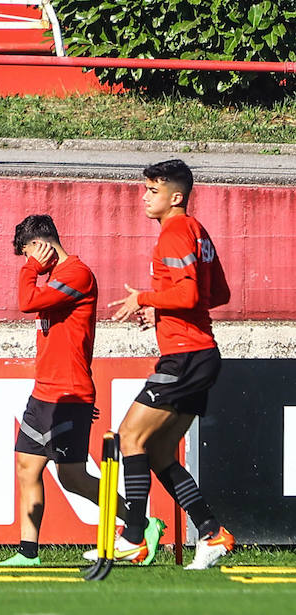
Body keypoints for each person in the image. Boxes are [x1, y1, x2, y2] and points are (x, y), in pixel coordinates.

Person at [107, 159, 233, 569]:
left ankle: (134, 536)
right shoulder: (196, 229)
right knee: (159, 451)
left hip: (185, 356)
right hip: (200, 353)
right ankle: (212, 532)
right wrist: (163, 313)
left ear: (175, 197)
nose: (144, 197)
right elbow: (219, 294)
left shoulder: (175, 232)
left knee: (129, 437)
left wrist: (145, 299)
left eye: (152, 190)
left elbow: (191, 293)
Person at [0, 214, 119, 567]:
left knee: (73, 477)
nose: (28, 260)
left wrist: (30, 268)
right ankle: (28, 553)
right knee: (26, 467)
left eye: (28, 251)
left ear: (41, 244)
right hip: (45, 391)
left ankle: (140, 522)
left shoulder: (77, 273)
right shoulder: (57, 278)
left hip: (68, 392)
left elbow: (27, 302)